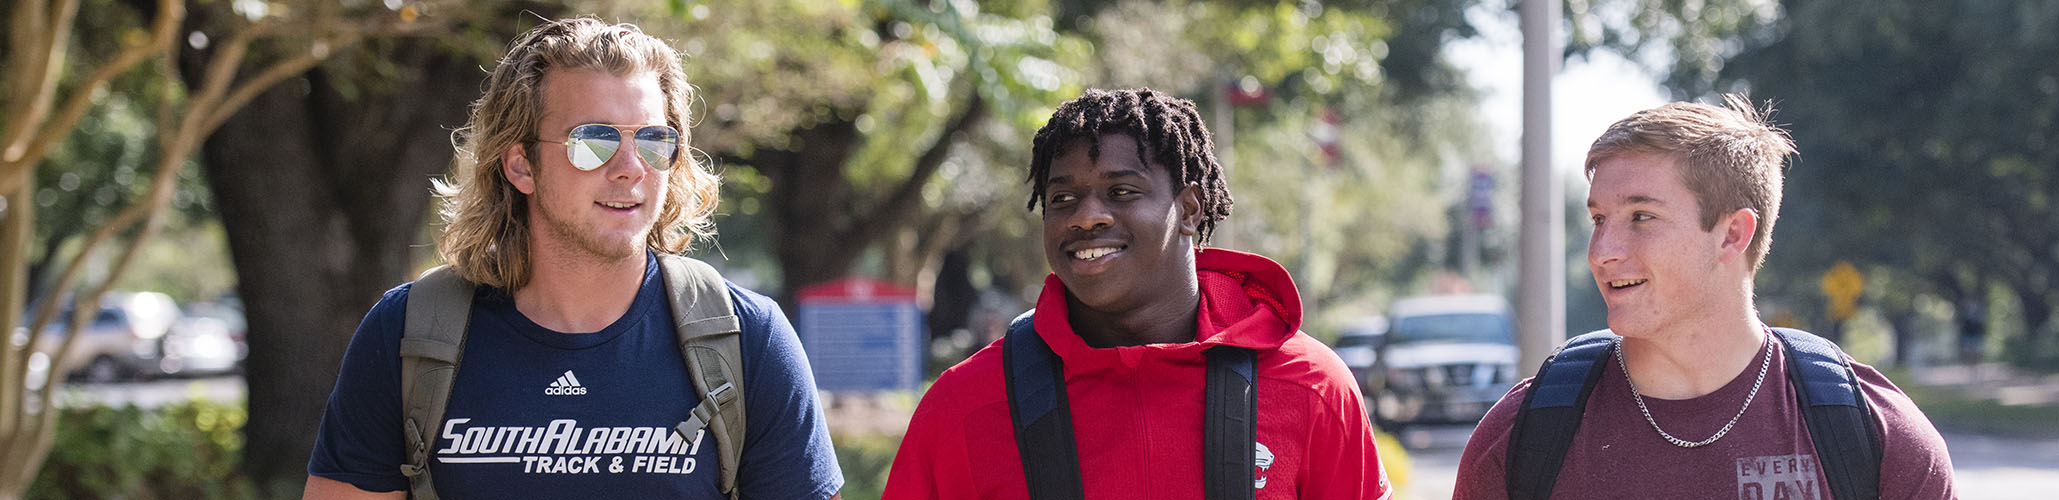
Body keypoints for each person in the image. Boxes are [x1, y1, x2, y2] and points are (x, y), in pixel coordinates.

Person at [304, 18, 843, 499]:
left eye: (654, 139)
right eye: (594, 140)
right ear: (520, 165)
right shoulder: (408, 335)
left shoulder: (748, 340)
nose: (631, 167)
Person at [882, 88, 1391, 499]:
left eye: (1122, 191)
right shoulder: (964, 404)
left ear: (1189, 209)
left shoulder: (1312, 387)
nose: (1086, 215)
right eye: (1062, 198)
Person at [1451, 95, 1956, 499]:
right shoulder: (1523, 435)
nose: (1602, 252)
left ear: (1733, 234)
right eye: (1599, 219)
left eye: (1641, 217)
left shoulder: (1873, 435)